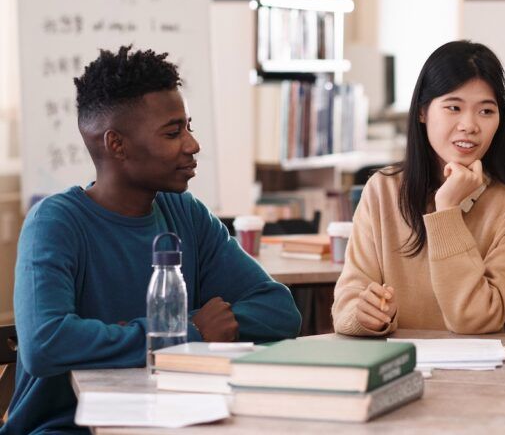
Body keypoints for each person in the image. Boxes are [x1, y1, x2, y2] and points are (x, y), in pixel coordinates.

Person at [2, 46, 301, 435]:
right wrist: (188, 334)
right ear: (117, 145)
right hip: (65, 428)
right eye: (173, 132)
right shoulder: (56, 222)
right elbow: (47, 344)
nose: (192, 145)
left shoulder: (186, 214)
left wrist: (198, 330)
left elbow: (279, 310)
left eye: (188, 127)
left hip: (174, 420)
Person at [331, 41, 505, 336]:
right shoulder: (383, 190)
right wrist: (364, 315)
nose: (469, 125)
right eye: (454, 107)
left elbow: (474, 318)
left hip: (497, 376)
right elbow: (347, 305)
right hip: (402, 365)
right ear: (422, 112)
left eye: (486, 111)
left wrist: (447, 211)